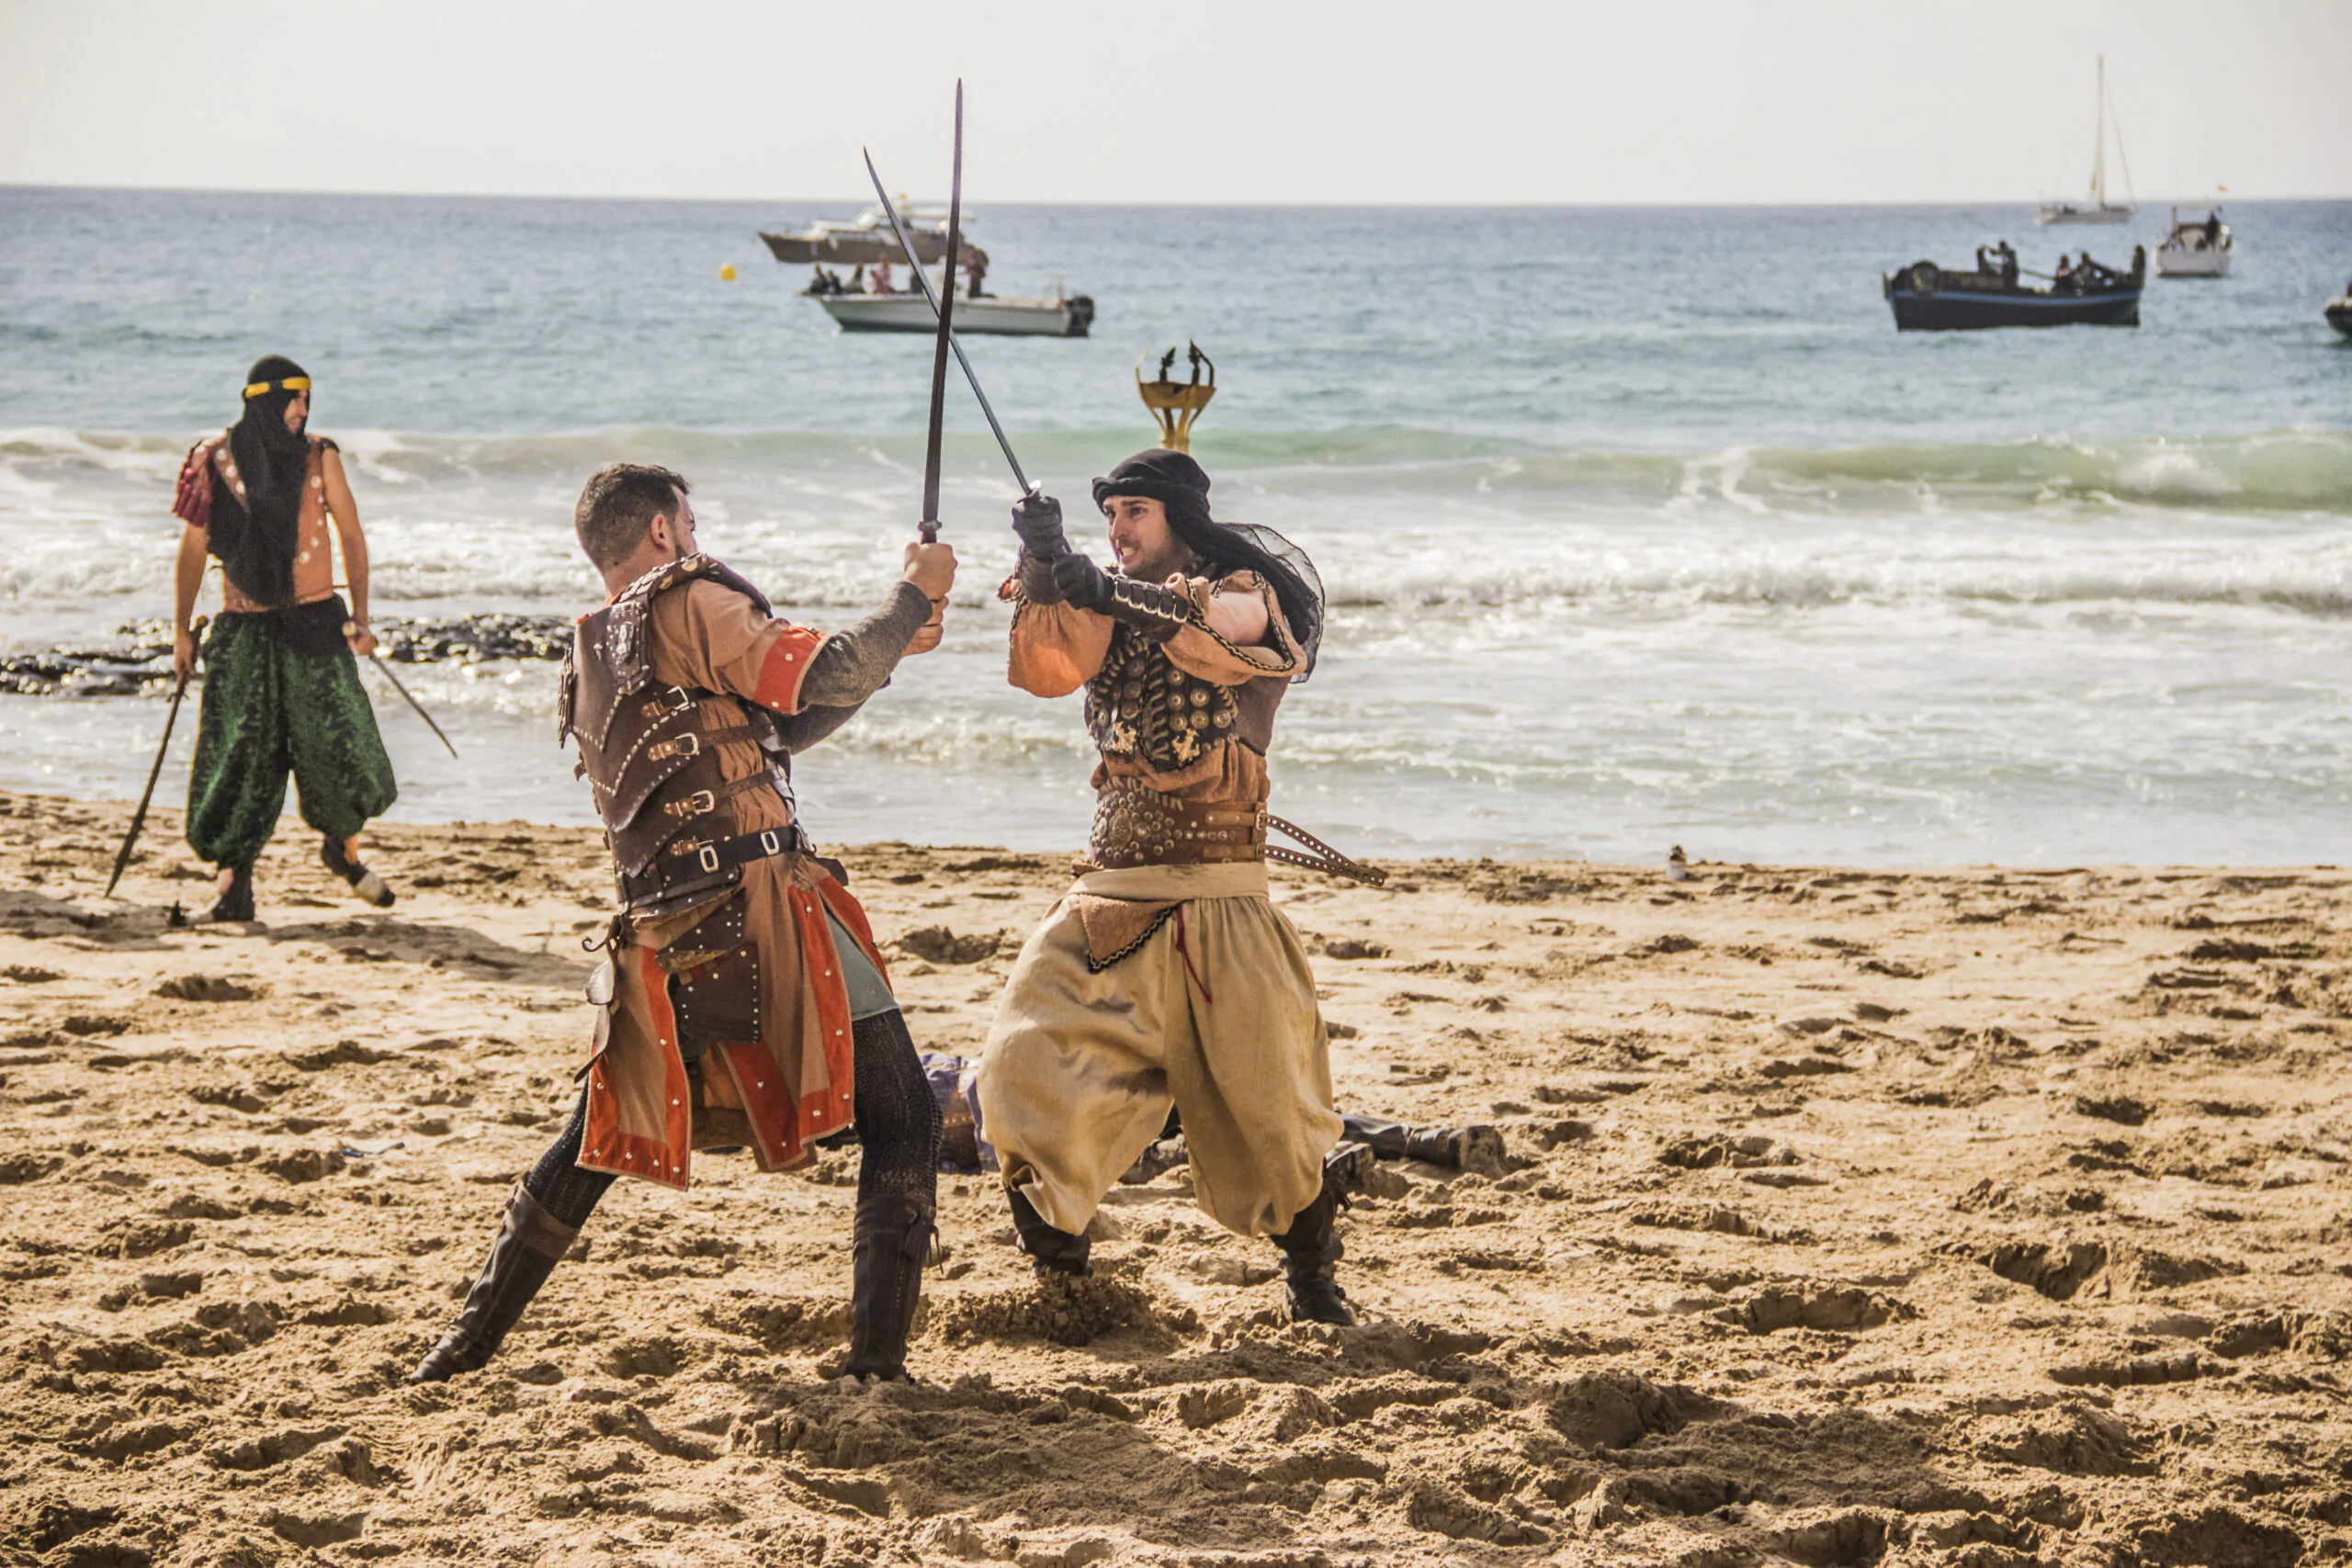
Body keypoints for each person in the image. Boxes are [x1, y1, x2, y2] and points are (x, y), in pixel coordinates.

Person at [411, 464, 957, 1386]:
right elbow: (820, 670)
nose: (697, 541)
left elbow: (776, 732)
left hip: (664, 935)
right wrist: (914, 594)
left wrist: (895, 643)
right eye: (690, 524)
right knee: (903, 1114)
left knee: (592, 1141)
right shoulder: (689, 597)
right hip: (763, 916)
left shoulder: (591, 648)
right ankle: (875, 1367)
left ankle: (461, 1350)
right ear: (662, 533)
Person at [974, 448, 1379, 1326]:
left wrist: (1098, 585)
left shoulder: (1244, 599)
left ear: (1178, 521)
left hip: (1219, 901)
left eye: (1135, 514)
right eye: (1110, 515)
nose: (1117, 531)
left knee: (1274, 1115)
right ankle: (1066, 1282)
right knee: (1017, 1072)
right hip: (1107, 899)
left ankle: (1313, 1280)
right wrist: (1045, 572)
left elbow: (1220, 629)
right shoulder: (1110, 608)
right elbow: (1046, 663)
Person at [169, 355, 399, 922]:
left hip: (316, 624)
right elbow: (195, 549)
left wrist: (363, 617)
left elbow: (351, 534)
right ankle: (232, 889)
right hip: (244, 632)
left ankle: (343, 853)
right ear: (261, 403)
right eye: (289, 400)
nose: (301, 410)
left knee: (345, 750)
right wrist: (179, 629)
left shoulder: (321, 456)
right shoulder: (213, 461)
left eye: (306, 399)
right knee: (237, 760)